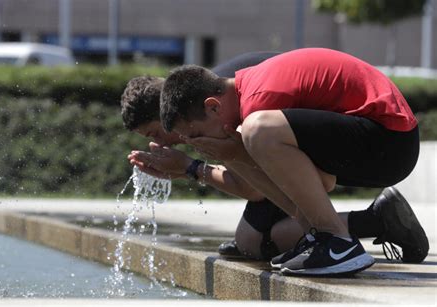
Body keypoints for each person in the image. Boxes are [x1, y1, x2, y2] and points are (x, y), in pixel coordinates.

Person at [120, 52, 428, 266]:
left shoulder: (252, 106)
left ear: (211, 108)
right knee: (263, 239)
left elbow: (319, 182)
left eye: (156, 133)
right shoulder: (223, 98)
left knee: (257, 133)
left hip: (390, 141)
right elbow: (292, 183)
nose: (191, 142)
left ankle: (338, 242)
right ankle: (333, 233)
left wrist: (194, 166)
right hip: (377, 139)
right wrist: (229, 154)